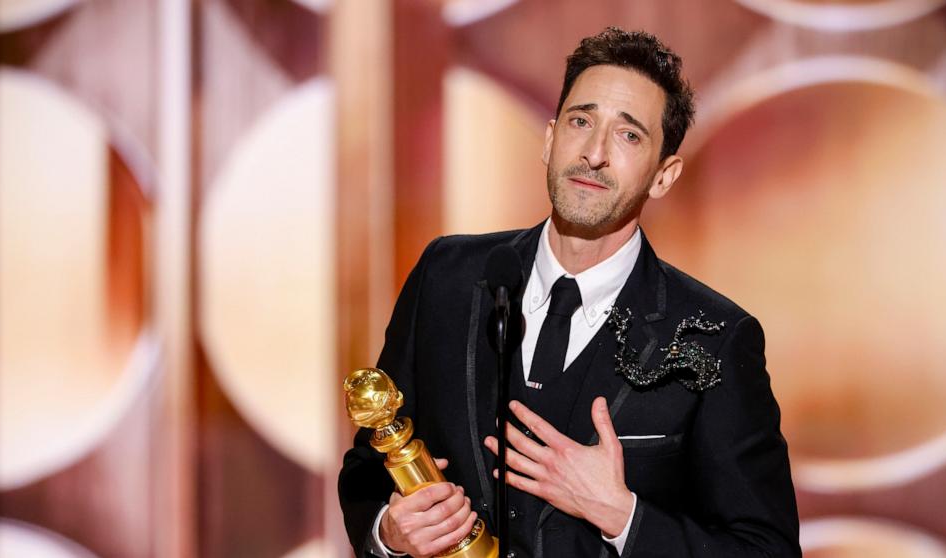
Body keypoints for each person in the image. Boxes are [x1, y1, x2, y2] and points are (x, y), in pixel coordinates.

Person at [339, 27, 800, 557]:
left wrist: (623, 516)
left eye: (629, 136)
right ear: (550, 138)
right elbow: (369, 466)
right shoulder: (447, 275)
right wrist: (388, 534)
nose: (595, 153)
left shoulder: (714, 336)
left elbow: (767, 551)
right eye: (582, 121)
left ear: (664, 176)